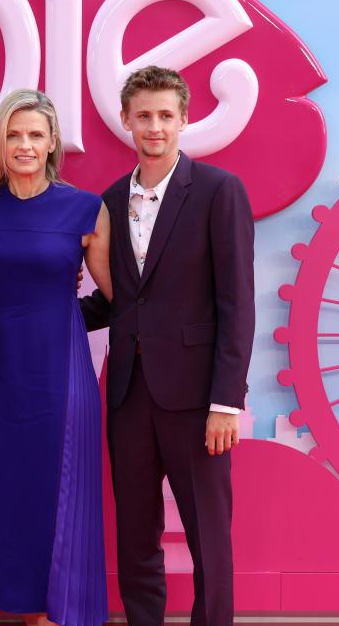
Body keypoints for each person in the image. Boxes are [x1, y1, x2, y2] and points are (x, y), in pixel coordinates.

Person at [81, 65, 255, 626]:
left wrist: (225, 402)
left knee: (209, 536)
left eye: (165, 116)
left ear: (183, 119)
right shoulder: (107, 200)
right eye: (144, 116)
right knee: (135, 535)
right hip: (128, 397)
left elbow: (237, 303)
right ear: (127, 121)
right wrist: (38, 314)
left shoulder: (219, 191)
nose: (154, 126)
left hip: (197, 400)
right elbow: (120, 300)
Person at [0, 89, 112, 626]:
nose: (24, 144)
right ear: (1, 141)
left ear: (52, 145)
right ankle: (25, 610)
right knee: (9, 493)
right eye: (14, 134)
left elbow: (117, 296)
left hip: (61, 372)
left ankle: (61, 613)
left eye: (35, 135)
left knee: (58, 490)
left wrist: (65, 314)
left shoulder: (85, 208)